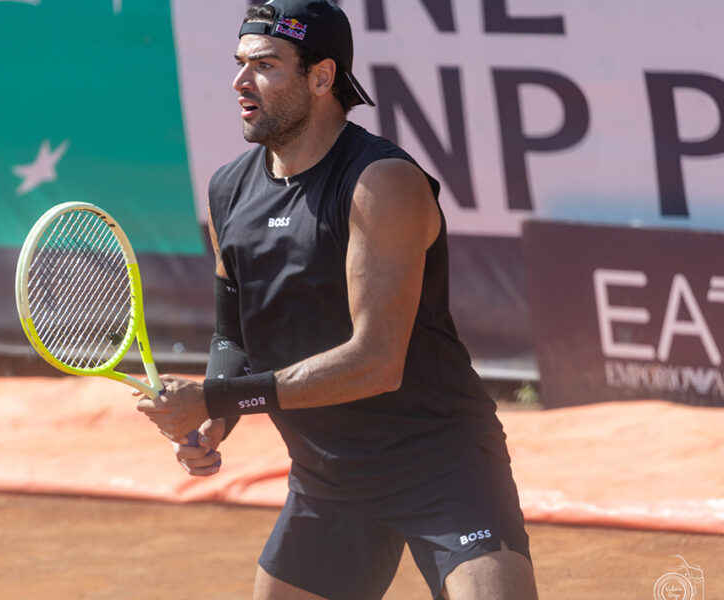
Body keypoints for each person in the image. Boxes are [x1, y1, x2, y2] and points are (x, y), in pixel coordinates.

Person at [136, 1, 538, 598]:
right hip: (327, 478)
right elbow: (233, 335)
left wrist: (214, 397)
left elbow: (376, 362)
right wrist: (217, 419)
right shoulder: (228, 190)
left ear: (322, 77)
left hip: (441, 466)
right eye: (240, 63)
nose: (240, 81)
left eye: (264, 65)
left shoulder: (383, 183)